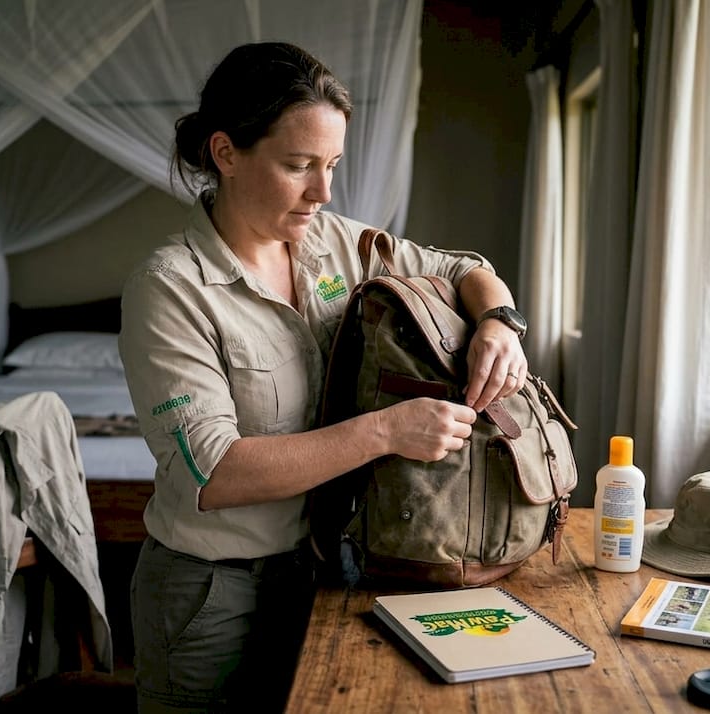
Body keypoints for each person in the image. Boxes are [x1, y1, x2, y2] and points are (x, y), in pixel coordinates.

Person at [119, 41, 530, 713]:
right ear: (226, 153)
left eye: (332, 165)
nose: (324, 191)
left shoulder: (334, 243)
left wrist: (500, 324)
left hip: (330, 568)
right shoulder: (169, 289)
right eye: (298, 166)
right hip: (213, 594)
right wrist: (387, 431)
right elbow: (216, 474)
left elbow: (463, 270)